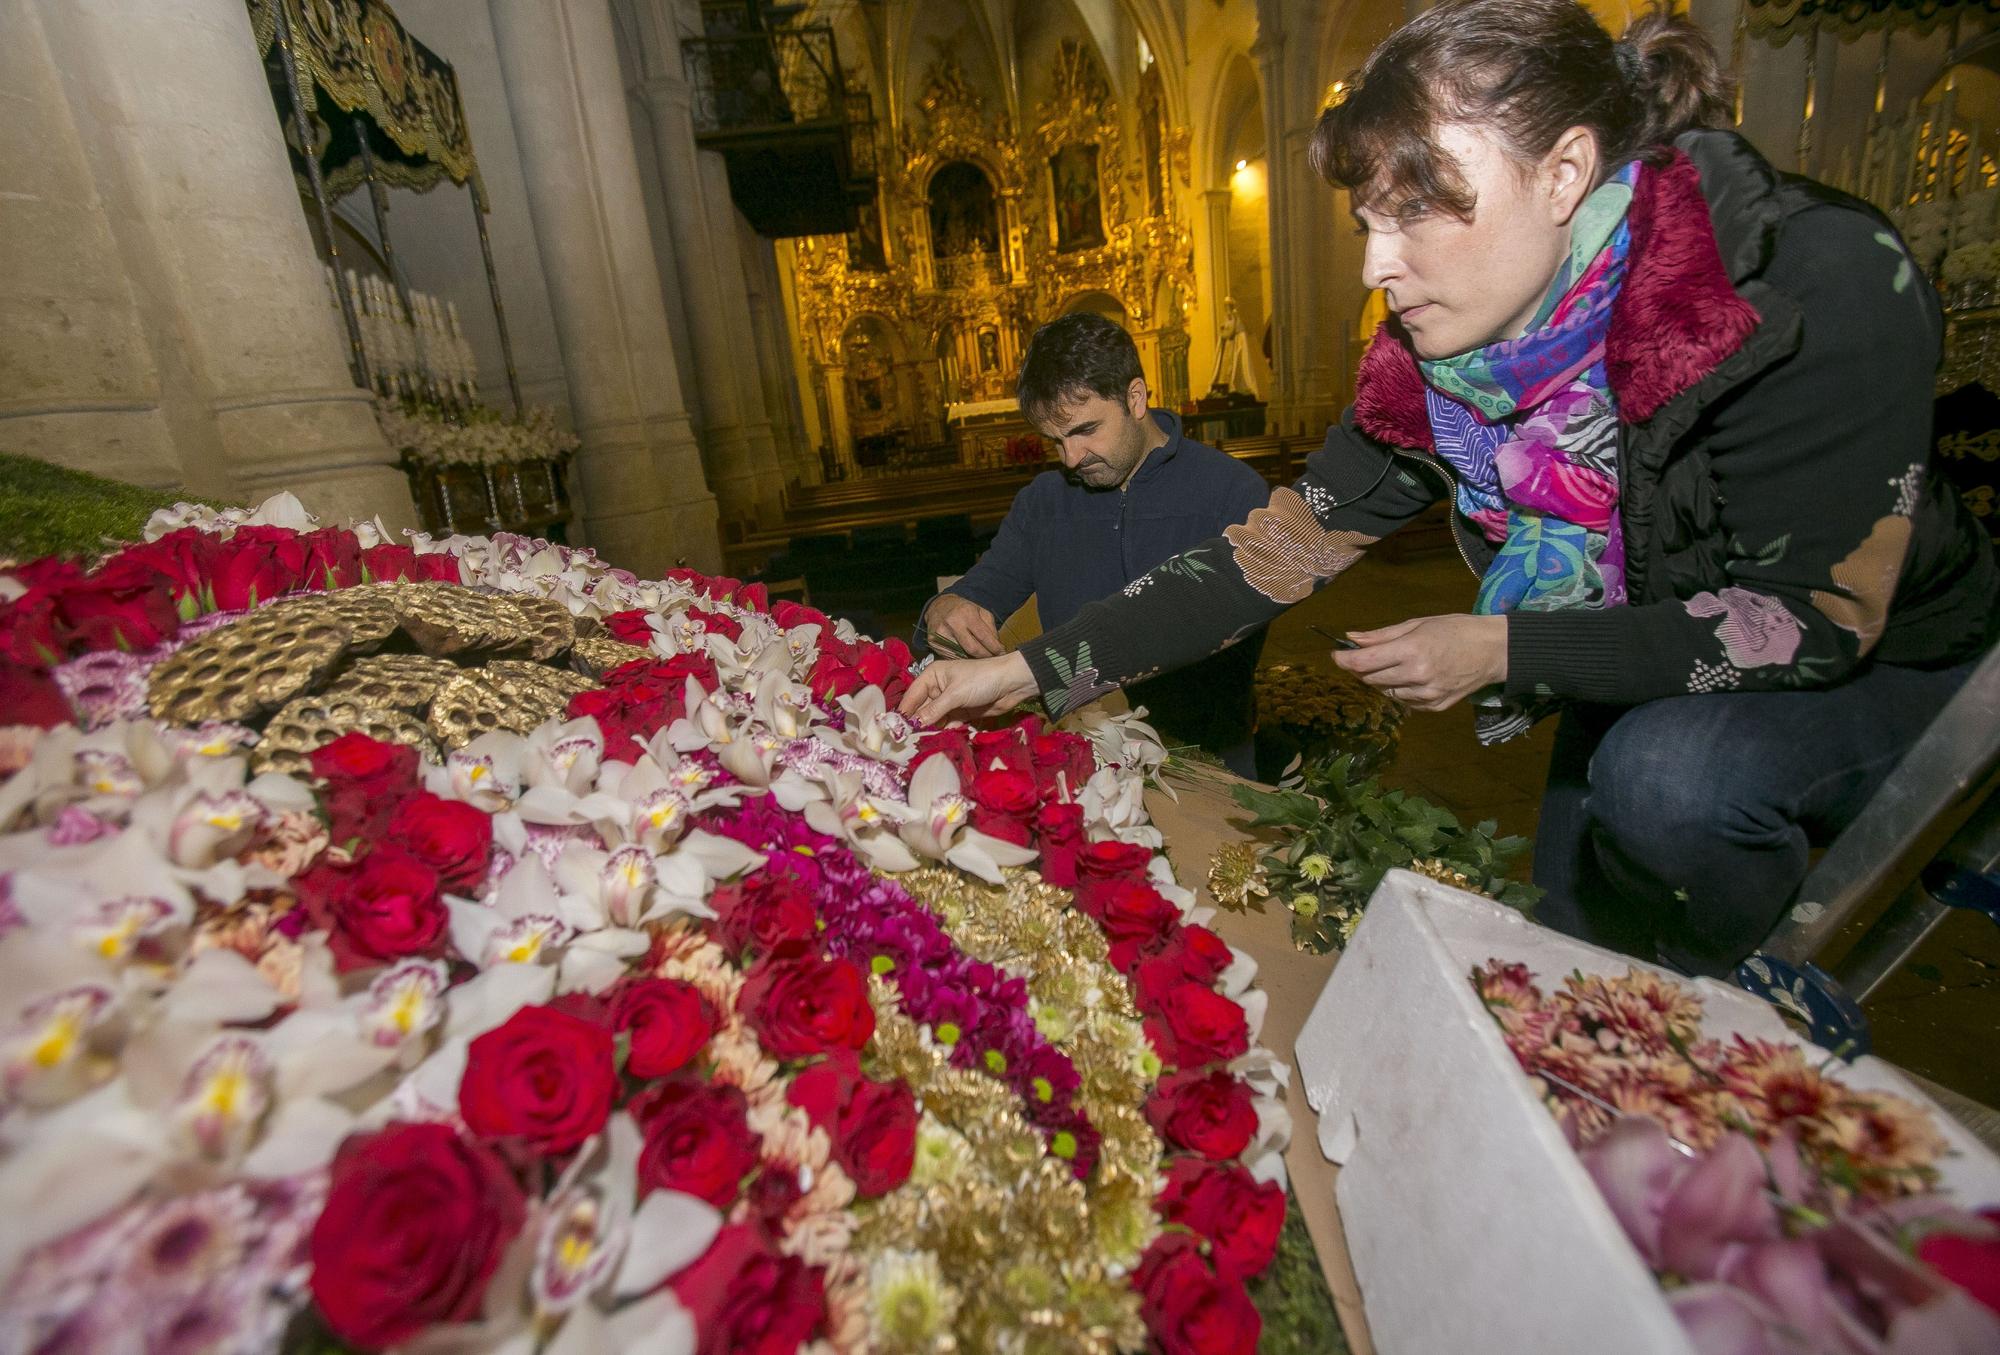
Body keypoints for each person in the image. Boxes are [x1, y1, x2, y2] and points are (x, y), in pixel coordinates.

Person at [901, 0, 1999, 978]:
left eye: (1416, 212)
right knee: (1571, 938)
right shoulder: (1434, 368)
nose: (1377, 266)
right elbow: (1262, 558)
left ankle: (1747, 1012)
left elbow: (1805, 622)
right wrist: (1032, 665)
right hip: (1626, 645)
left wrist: (1504, 649)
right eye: (1367, 223)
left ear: (1562, 172)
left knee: (1664, 786)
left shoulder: (1799, 282)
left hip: (1891, 660)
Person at [917, 312, 1273, 775]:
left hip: (1207, 759)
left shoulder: (1233, 493)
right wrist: (946, 608)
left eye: (1085, 430)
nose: (1070, 458)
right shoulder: (1044, 503)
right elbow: (984, 586)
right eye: (1055, 440)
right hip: (1082, 764)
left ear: (1136, 397)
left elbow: (1212, 632)